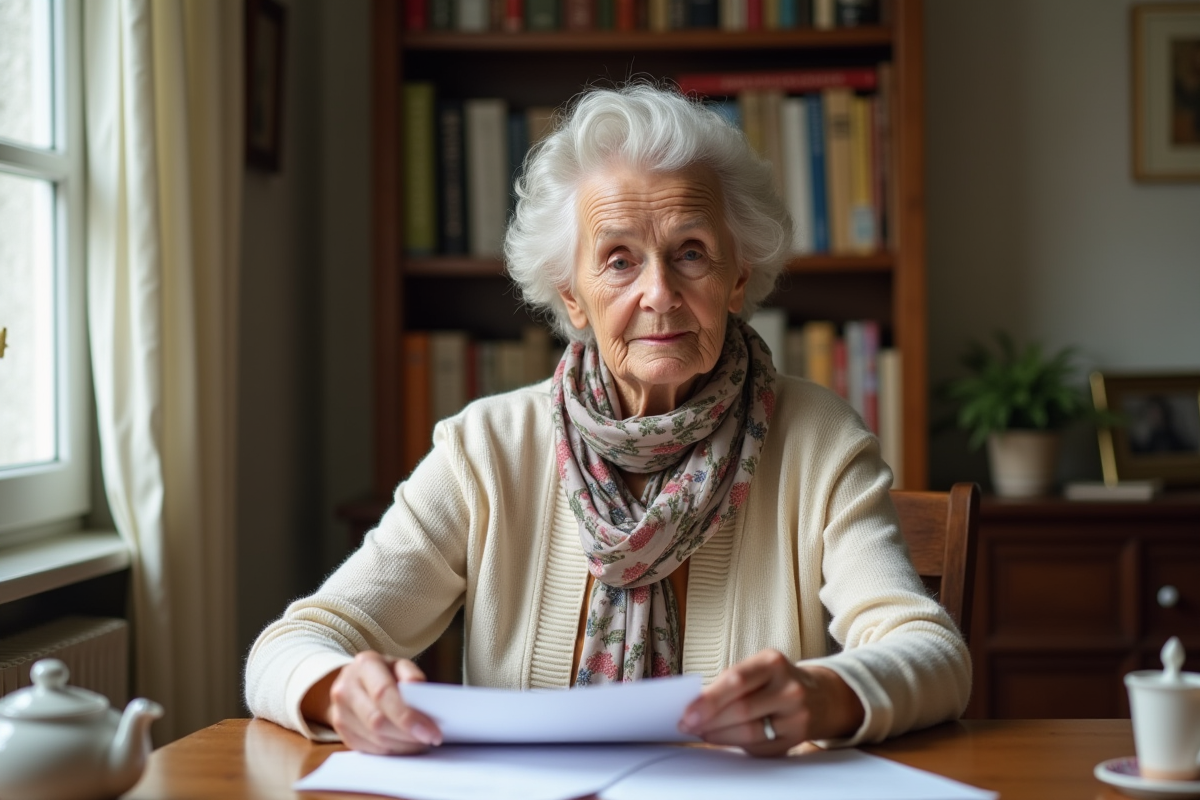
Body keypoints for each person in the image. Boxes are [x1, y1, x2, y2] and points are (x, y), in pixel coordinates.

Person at [245, 84, 971, 757]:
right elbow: (292, 644)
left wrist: (826, 694)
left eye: (691, 253)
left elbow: (932, 653)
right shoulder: (486, 450)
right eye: (619, 261)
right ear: (571, 296)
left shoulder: (820, 441)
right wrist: (342, 690)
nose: (659, 293)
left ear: (738, 276)